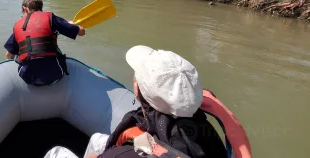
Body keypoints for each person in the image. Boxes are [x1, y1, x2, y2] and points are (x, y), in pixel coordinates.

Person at [44, 45, 252, 158]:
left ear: (138, 90)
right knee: (98, 138)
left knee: (55, 153)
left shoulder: (124, 154)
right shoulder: (210, 136)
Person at [4, 0, 86, 86]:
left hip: (27, 77)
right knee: (53, 45)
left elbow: (8, 55)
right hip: (55, 74)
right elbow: (82, 32)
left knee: (18, 53)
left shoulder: (18, 25)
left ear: (25, 9)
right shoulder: (50, 17)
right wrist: (72, 24)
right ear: (41, 8)